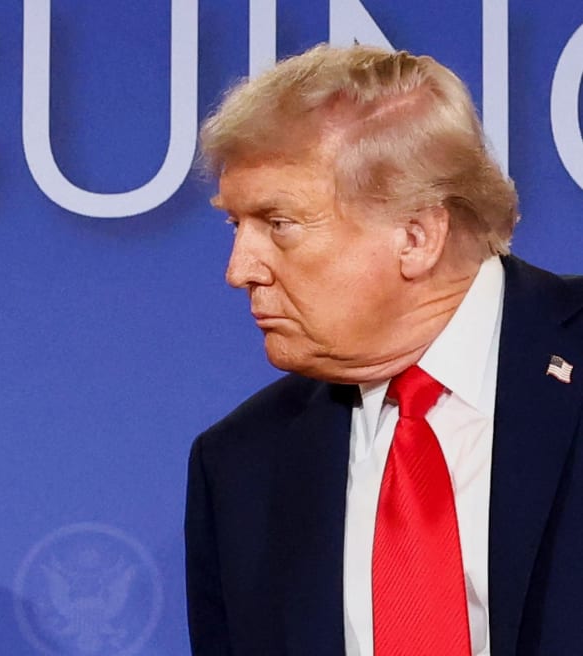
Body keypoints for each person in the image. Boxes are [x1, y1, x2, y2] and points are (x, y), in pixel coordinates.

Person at [185, 44, 583, 656]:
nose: (240, 270)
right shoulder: (241, 466)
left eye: (278, 223)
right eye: (237, 226)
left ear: (417, 237)